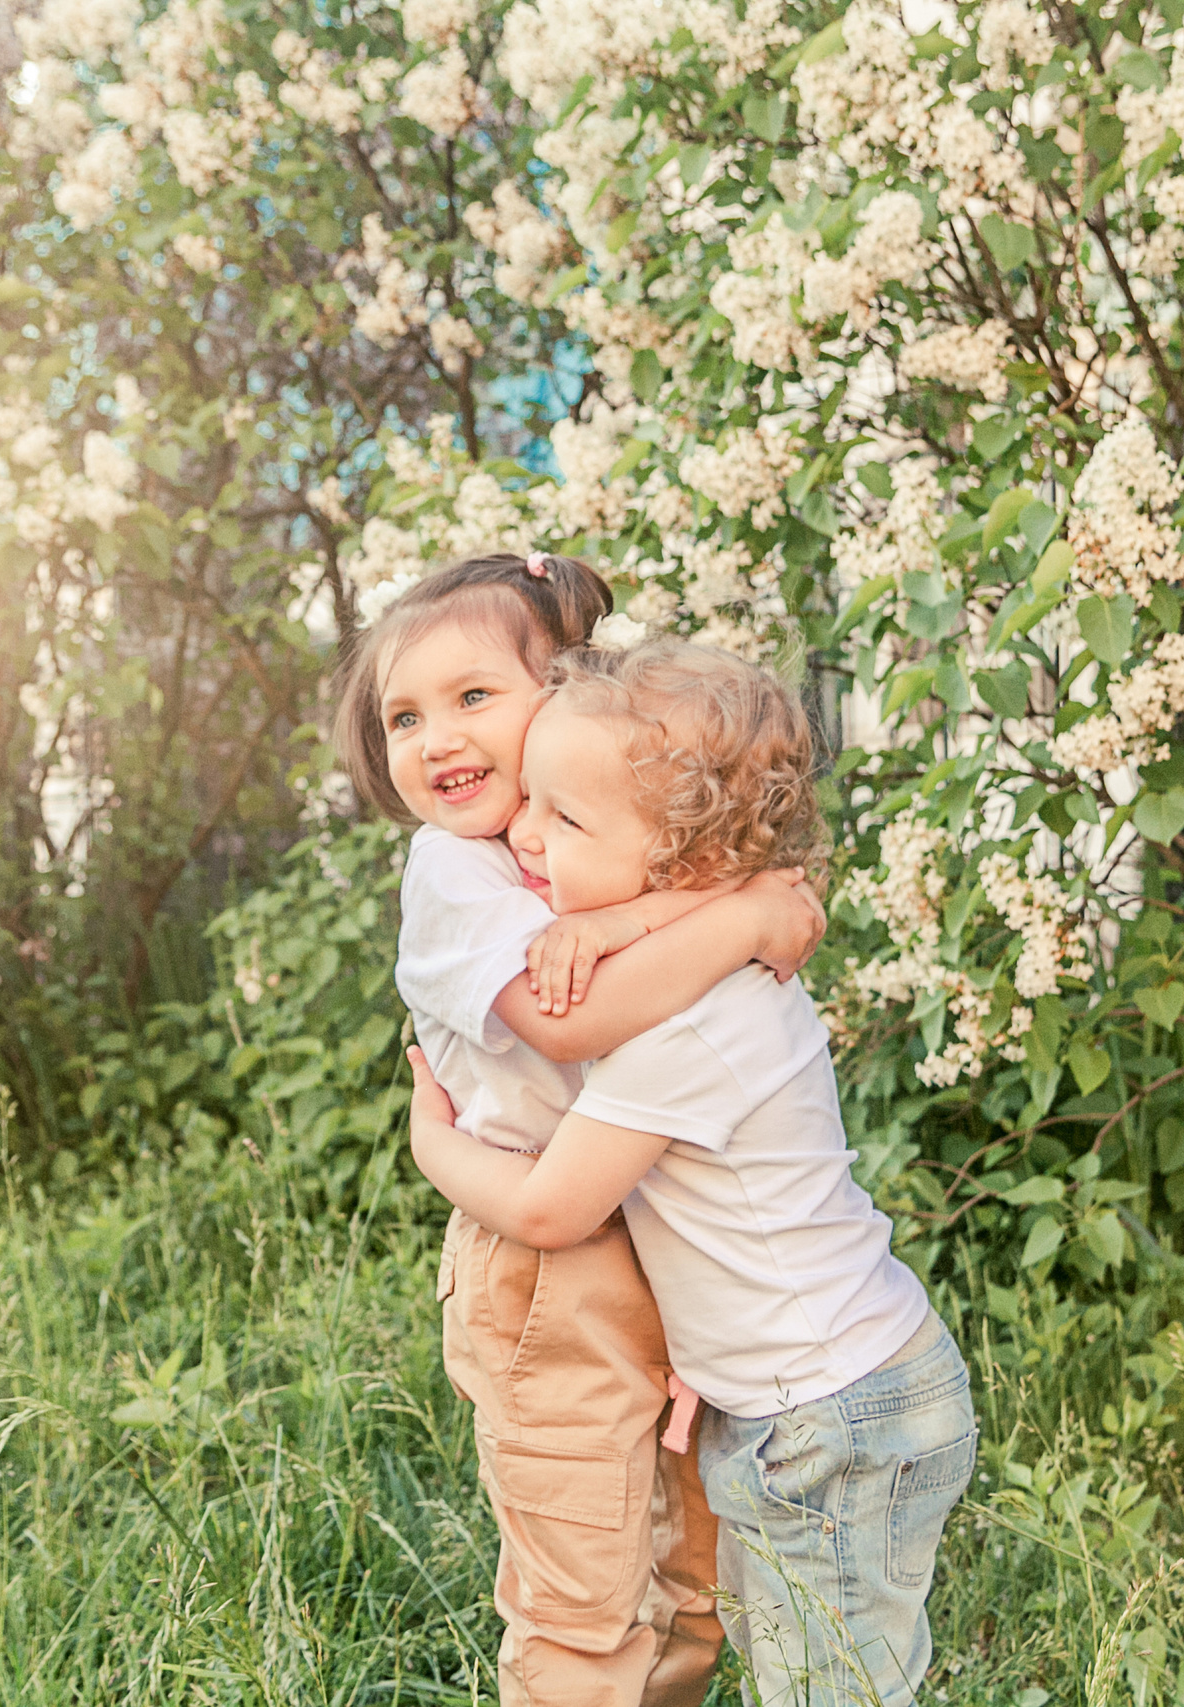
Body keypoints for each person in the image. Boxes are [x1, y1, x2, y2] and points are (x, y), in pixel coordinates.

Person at [404, 640, 977, 1707]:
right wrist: (625, 913)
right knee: (801, 1667)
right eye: (530, 801)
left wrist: (429, 1138)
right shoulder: (698, 963)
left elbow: (551, 1206)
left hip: (831, 1413)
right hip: (815, 1397)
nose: (523, 835)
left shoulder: (698, 1020)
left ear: (681, 872)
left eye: (563, 820)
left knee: (833, 1687)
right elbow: (704, 901)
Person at [332, 552, 828, 1707]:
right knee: (582, 1592)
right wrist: (744, 914)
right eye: (403, 716)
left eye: (472, 698)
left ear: (565, 701)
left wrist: (710, 903)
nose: (435, 739)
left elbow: (698, 887)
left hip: (661, 1236)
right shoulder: (452, 873)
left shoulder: (575, 835)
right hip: (543, 1262)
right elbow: (574, 1021)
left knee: (689, 1575)